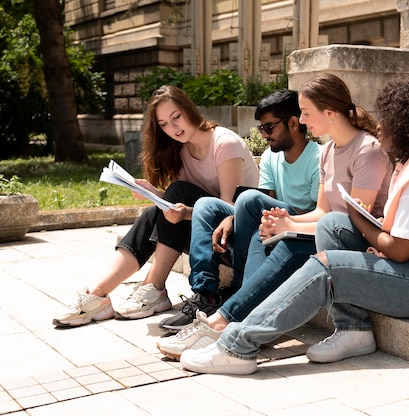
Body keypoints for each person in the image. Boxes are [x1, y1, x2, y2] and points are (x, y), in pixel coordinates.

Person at [177, 75, 409, 374]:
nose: (381, 128)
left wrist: (362, 223)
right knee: (334, 224)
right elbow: (400, 238)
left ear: (408, 126)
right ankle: (353, 329)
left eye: (389, 121)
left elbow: (398, 250)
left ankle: (236, 344)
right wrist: (358, 225)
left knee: (328, 265)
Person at [156, 72, 392, 359]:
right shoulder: (329, 151)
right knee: (262, 223)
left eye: (305, 113)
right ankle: (233, 314)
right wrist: (284, 223)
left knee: (290, 240)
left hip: (356, 242)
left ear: (329, 113)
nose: (301, 120)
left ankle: (223, 321)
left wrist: (291, 224)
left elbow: (354, 219)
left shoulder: (367, 150)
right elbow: (323, 210)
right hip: (329, 229)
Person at [52, 85, 259, 327]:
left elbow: (228, 207)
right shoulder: (179, 150)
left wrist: (181, 210)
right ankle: (98, 294)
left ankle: (154, 287)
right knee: (155, 210)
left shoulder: (224, 143)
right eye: (163, 124)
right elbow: (181, 205)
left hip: (236, 238)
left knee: (177, 192)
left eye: (176, 117)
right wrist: (154, 193)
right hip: (207, 235)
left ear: (189, 110)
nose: (173, 128)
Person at [158, 89, 321, 332]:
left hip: (297, 230)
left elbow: (320, 213)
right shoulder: (269, 157)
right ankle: (206, 295)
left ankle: (241, 297)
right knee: (205, 204)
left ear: (294, 123)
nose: (264, 135)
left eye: (269, 128)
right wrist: (233, 217)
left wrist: (264, 218)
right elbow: (265, 205)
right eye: (261, 129)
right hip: (269, 224)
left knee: (248, 199)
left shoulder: (317, 158)